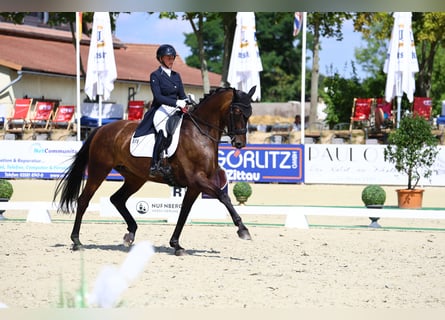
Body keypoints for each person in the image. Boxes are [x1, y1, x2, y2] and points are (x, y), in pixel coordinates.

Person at [149, 44, 188, 177]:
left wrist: (186, 100)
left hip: (176, 109)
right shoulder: (155, 75)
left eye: (172, 58)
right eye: (168, 58)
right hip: (161, 109)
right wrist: (176, 102)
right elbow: (158, 97)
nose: (171, 60)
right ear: (160, 59)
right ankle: (155, 163)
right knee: (163, 129)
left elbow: (182, 95)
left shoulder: (177, 75)